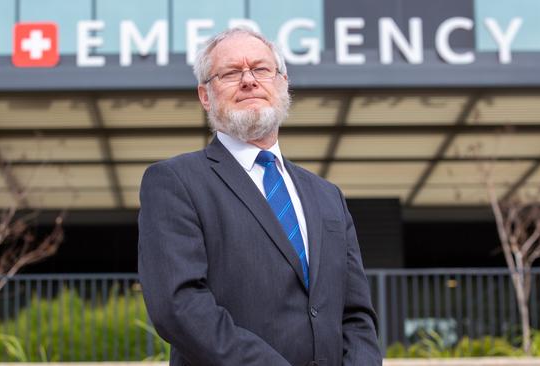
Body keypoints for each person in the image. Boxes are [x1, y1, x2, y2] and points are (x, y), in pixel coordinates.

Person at [138, 27, 381, 366]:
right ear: (205, 96)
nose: (249, 80)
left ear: (283, 83)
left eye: (261, 69)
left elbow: (356, 314)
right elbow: (179, 306)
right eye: (230, 73)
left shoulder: (328, 196)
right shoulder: (174, 182)